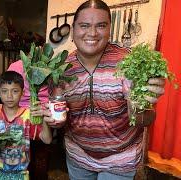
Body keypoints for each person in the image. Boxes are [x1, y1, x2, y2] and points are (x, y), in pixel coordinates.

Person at [41, 0, 166, 180]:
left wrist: (140, 106)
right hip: (78, 157)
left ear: (109, 29)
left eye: (101, 26)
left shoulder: (129, 64)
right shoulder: (60, 69)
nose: (92, 33)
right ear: (73, 29)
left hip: (120, 160)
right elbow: (59, 120)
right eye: (84, 25)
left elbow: (146, 120)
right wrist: (53, 121)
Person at [0, 70, 52, 180]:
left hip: (20, 175)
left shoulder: (28, 115)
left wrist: (43, 119)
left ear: (22, 93)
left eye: (15, 91)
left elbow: (47, 140)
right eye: (4, 91)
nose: (9, 96)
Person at [7, 60, 51, 179]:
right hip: (26, 118)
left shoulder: (15, 65)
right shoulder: (46, 65)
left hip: (37, 118)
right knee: (32, 157)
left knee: (35, 157)